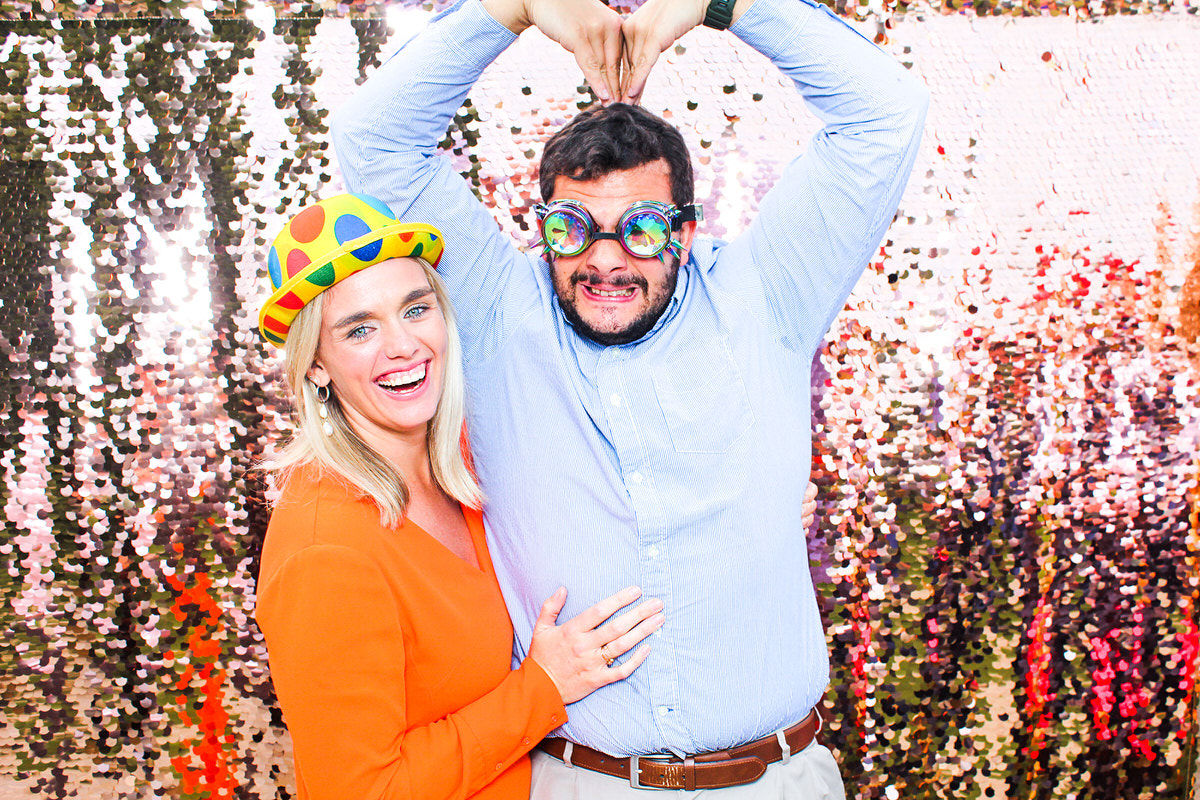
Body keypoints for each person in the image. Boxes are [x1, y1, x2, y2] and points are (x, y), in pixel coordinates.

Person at [332, 0, 928, 793]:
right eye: (573, 228)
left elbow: (886, 115)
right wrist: (511, 9)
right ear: (541, 227)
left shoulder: (766, 295)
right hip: (582, 781)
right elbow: (373, 141)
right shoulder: (499, 310)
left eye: (642, 229)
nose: (605, 260)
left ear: (685, 230)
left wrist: (726, 5)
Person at [253, 193, 667, 800]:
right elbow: (362, 791)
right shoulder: (326, 552)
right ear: (316, 364)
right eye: (360, 328)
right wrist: (543, 688)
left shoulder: (463, 469)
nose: (402, 345)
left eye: (414, 309)